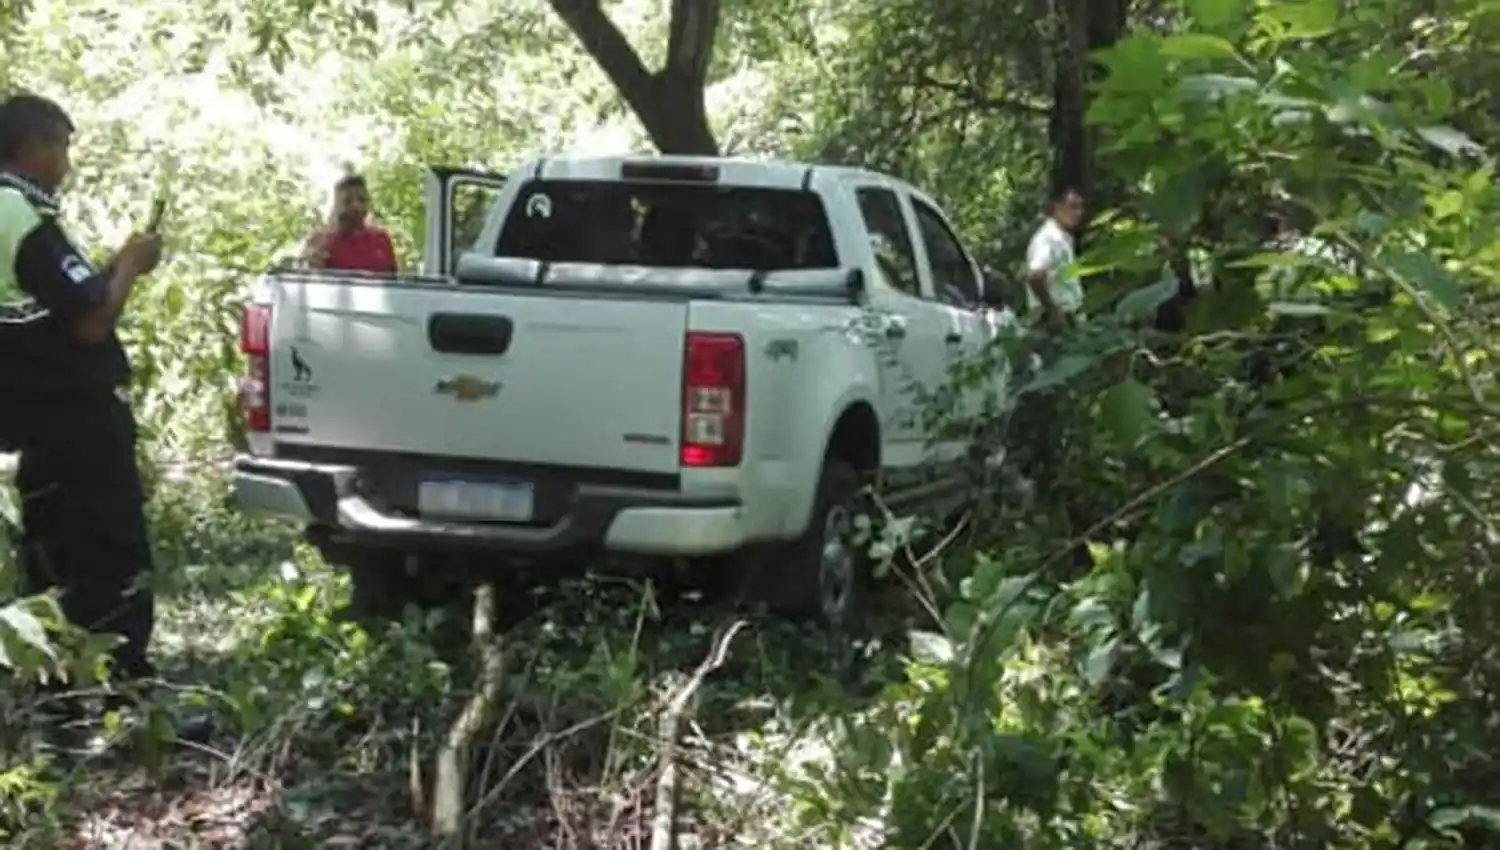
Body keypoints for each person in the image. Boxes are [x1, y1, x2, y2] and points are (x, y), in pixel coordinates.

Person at [0, 94, 164, 708]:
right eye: (59, 146)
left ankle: (56, 700)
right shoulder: (18, 213)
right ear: (29, 148)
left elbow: (46, 304)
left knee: (50, 557)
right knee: (111, 551)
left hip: (31, 423)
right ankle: (128, 697)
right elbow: (90, 320)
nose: (66, 162)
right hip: (76, 422)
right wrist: (129, 264)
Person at [303, 173, 398, 274]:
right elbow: (310, 280)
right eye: (348, 201)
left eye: (361, 200)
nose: (356, 206)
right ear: (336, 205)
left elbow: (394, 282)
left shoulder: (381, 239)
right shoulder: (321, 239)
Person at [1023, 186, 1086, 330]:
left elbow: (1067, 280)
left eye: (1080, 207)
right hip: (1051, 319)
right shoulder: (1048, 238)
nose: (1078, 213)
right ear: (1055, 208)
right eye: (1072, 207)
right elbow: (1035, 275)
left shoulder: (1064, 238)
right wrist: (1052, 310)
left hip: (1070, 317)